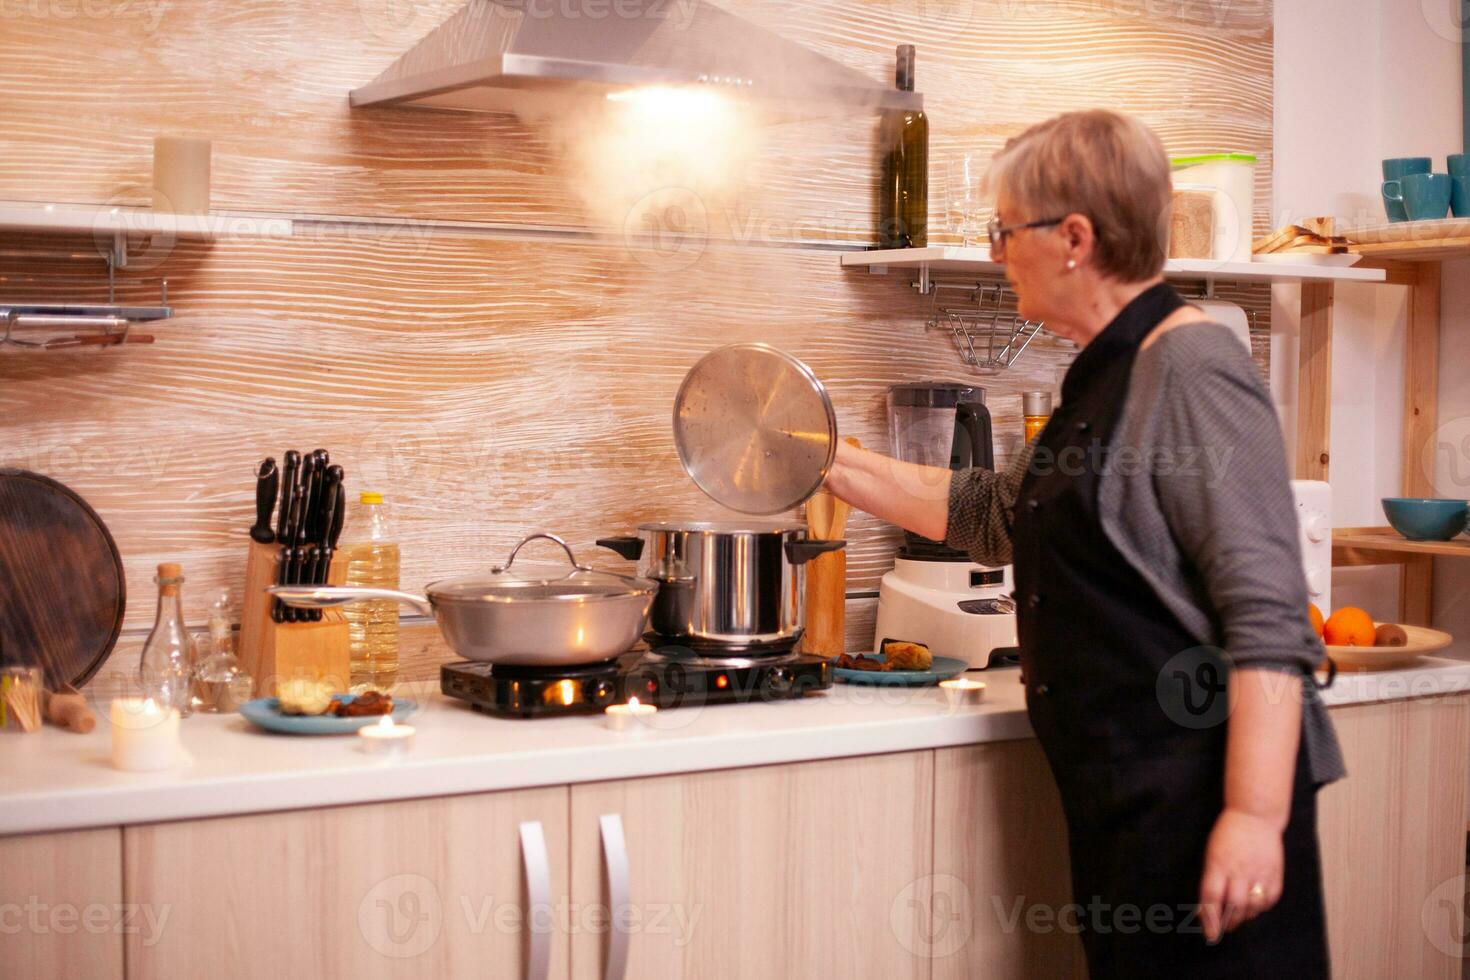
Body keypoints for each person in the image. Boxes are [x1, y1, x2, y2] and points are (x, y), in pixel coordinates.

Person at [825, 109, 1342, 977]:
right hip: (1131, 802)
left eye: (1004, 230)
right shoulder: (1105, 372)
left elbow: (1269, 619)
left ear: (1074, 238)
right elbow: (998, 511)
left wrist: (1253, 819)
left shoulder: (1194, 367)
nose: (996, 250)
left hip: (1205, 800)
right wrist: (824, 459)